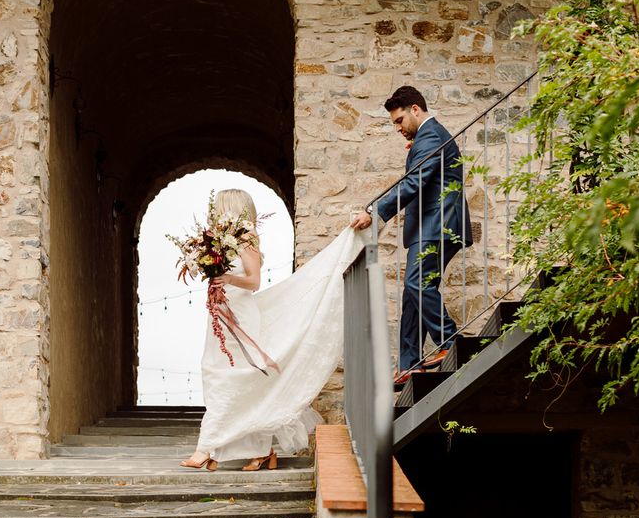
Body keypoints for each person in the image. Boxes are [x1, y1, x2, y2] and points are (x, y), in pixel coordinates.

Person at [181, 189, 365, 470]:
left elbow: (253, 282)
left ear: (231, 209)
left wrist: (226, 277)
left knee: (233, 379)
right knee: (222, 376)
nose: (214, 214)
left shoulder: (246, 238)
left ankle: (206, 448)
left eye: (218, 209)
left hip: (240, 316)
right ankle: (262, 450)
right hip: (220, 316)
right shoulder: (220, 243)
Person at [352, 86, 472, 385]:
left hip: (439, 224)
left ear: (415, 110)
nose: (398, 128)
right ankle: (410, 364)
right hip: (430, 226)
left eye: (399, 120)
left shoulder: (431, 136)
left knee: (417, 283)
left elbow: (413, 183)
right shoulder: (427, 139)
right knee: (412, 294)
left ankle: (449, 341)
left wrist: (375, 211)